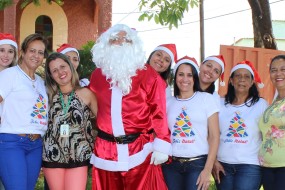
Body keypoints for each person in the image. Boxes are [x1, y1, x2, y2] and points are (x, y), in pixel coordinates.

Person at [88, 24, 171, 190]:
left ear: (134, 45)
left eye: (125, 40)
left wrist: (163, 142)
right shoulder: (97, 75)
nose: (120, 42)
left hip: (139, 150)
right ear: (106, 44)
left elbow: (159, 111)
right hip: (105, 151)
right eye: (114, 39)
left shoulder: (149, 74)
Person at [42, 52, 97, 190]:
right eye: (54, 70)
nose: (60, 72)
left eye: (63, 66)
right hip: (52, 155)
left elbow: (103, 122)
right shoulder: (47, 96)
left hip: (79, 154)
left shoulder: (87, 93)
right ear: (51, 75)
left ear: (70, 67)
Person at [163, 56, 220, 190]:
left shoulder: (207, 99)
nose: (185, 79)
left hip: (197, 165)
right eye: (181, 74)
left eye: (189, 75)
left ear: (194, 78)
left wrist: (207, 170)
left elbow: (214, 137)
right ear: (175, 77)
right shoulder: (168, 103)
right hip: (171, 165)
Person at [0, 33, 49, 190]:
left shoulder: (41, 82)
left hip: (35, 145)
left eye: (40, 52)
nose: (36, 56)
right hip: (12, 143)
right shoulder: (9, 75)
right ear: (23, 52)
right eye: (32, 51)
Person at [212, 60, 268, 190]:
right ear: (231, 81)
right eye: (238, 76)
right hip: (223, 164)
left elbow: (267, 134)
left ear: (252, 82)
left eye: (246, 76)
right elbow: (211, 134)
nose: (242, 79)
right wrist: (214, 161)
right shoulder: (219, 104)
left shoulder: (261, 104)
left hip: (250, 165)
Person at [259, 55, 285, 190]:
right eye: (274, 70)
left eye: (283, 69)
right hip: (268, 167)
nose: (278, 73)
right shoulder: (273, 103)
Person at [0, 33, 18, 190]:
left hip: (10, 138)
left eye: (10, 51)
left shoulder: (18, 77)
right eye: (2, 50)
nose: (6, 55)